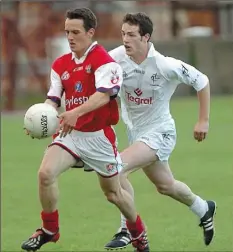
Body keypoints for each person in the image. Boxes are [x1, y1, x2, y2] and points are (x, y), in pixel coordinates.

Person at [21, 8, 148, 252]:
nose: (70, 37)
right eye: (67, 31)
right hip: (70, 134)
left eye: (75, 32)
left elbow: (104, 96)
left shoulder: (104, 62)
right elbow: (53, 100)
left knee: (114, 194)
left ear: (90, 32)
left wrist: (75, 113)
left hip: (98, 137)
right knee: (45, 174)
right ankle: (49, 230)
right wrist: (39, 121)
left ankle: (138, 232)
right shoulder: (60, 64)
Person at [103, 12, 217, 250]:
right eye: (123, 34)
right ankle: (204, 208)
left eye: (132, 35)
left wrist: (203, 121)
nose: (125, 40)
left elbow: (202, 81)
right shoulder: (114, 59)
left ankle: (127, 229)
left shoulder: (164, 64)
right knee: (166, 186)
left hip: (161, 132)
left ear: (146, 37)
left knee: (117, 167)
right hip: (137, 134)